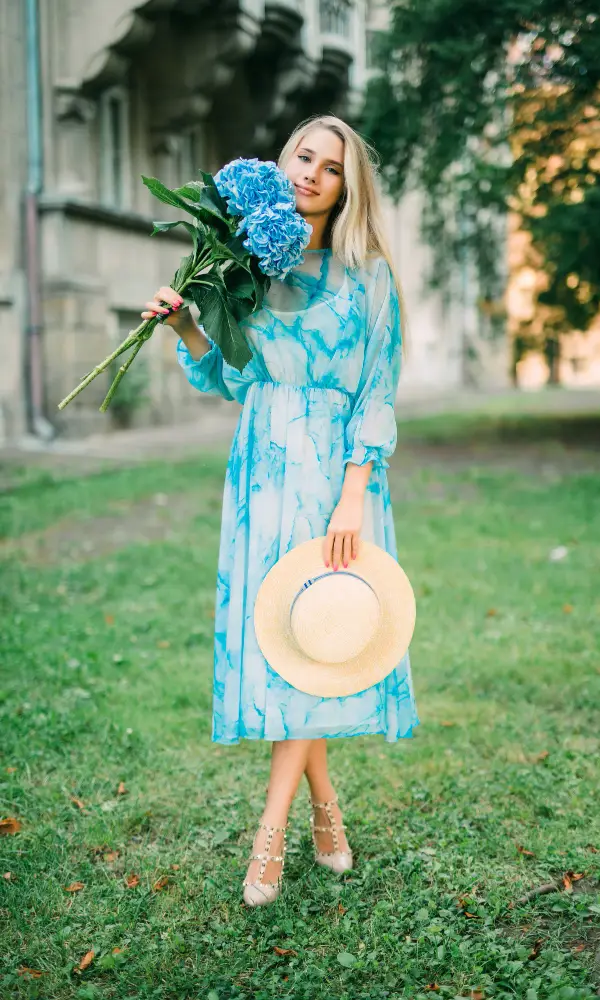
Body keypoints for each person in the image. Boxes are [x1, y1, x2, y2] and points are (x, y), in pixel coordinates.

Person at [140, 114, 420, 906]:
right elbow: (233, 380)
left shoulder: (366, 275)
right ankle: (326, 812)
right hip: (260, 469)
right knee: (290, 644)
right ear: (282, 159)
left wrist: (353, 493)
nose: (309, 174)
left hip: (334, 476)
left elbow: (376, 388)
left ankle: (269, 835)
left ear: (345, 187)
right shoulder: (244, 264)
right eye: (303, 156)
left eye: (329, 168)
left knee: (321, 638)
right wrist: (188, 323)